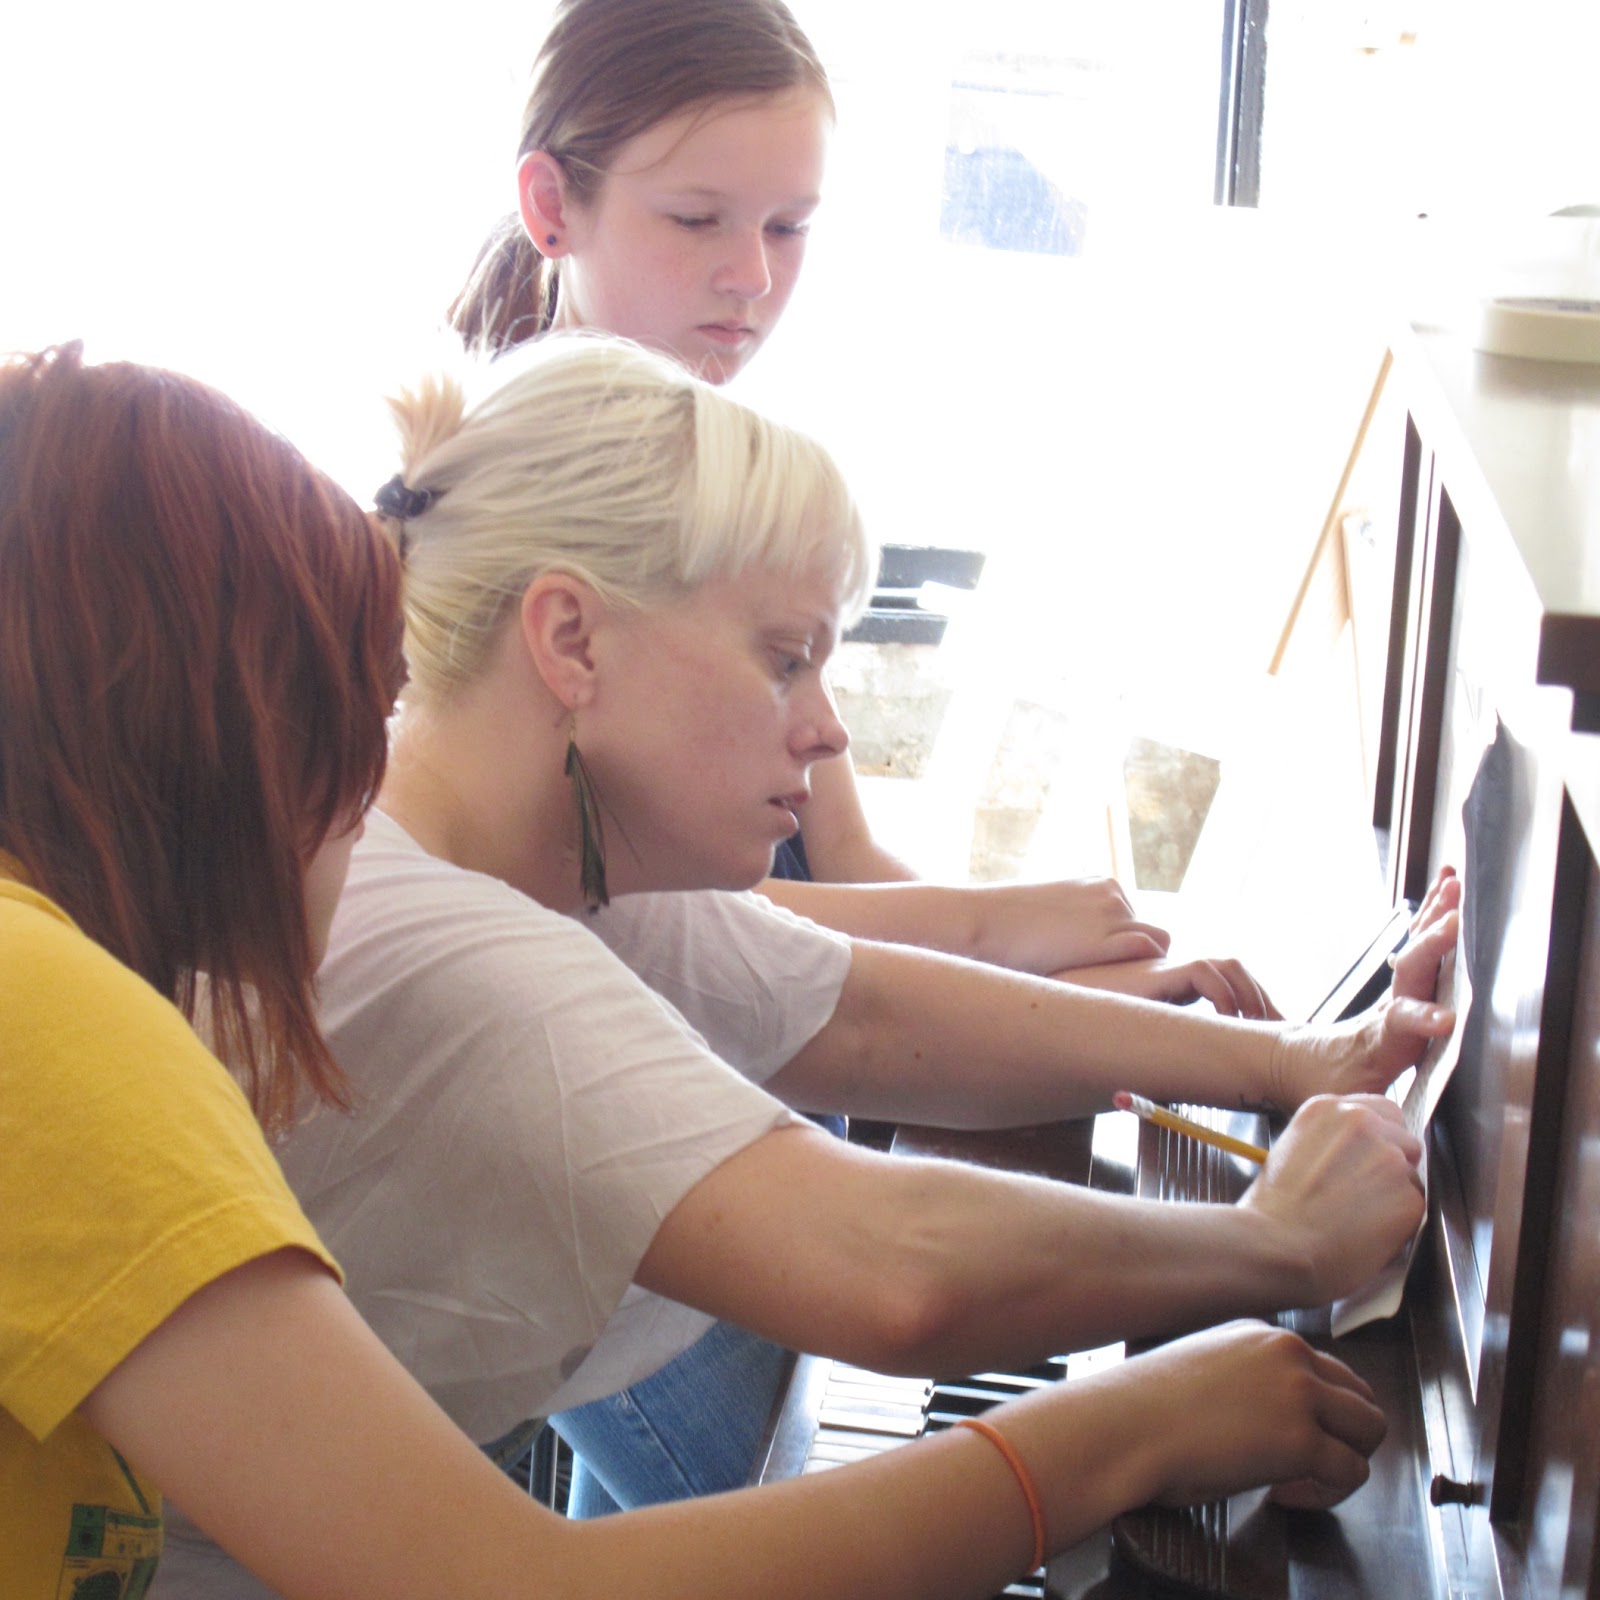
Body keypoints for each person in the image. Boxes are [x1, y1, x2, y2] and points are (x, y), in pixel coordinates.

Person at [0, 342, 1400, 1600]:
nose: (357, 783)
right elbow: (882, 1278)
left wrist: (1289, 1064)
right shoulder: (160, 995)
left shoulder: (543, 857)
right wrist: (1185, 1353)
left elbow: (866, 1014)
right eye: (334, 721)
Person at [445, 0, 1214, 996]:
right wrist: (992, 928)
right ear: (551, 205)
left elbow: (845, 855)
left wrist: (1073, 980)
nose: (752, 274)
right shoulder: (485, 519)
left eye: (789, 226)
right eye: (696, 219)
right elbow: (629, 916)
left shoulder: (748, 480)